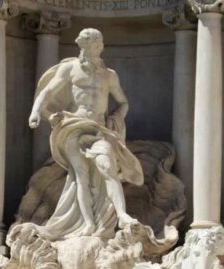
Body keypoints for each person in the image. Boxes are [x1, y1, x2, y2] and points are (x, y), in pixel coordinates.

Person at [28, 28, 143, 239]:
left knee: (107, 167)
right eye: (90, 44)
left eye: (97, 44)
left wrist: (116, 118)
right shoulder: (70, 69)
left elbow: (123, 102)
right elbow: (48, 92)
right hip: (74, 125)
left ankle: (122, 215)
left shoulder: (109, 75)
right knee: (81, 175)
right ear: (83, 46)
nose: (96, 48)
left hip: (99, 128)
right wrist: (37, 112)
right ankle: (88, 224)